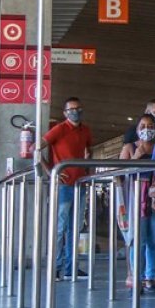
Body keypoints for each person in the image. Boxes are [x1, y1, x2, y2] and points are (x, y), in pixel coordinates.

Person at [42, 97, 93, 280]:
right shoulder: (59, 129)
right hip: (63, 185)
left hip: (79, 184)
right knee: (60, 227)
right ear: (65, 113)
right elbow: (36, 149)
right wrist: (51, 172)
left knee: (75, 227)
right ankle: (55, 267)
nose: (75, 111)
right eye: (71, 109)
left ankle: (72, 267)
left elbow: (89, 149)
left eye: (78, 108)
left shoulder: (85, 130)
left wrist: (88, 171)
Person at [120, 114, 155, 292]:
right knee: (139, 240)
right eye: (143, 126)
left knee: (154, 239)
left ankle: (150, 277)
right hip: (137, 200)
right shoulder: (130, 148)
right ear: (137, 130)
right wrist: (136, 157)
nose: (147, 129)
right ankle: (136, 277)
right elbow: (120, 173)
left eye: (151, 125)